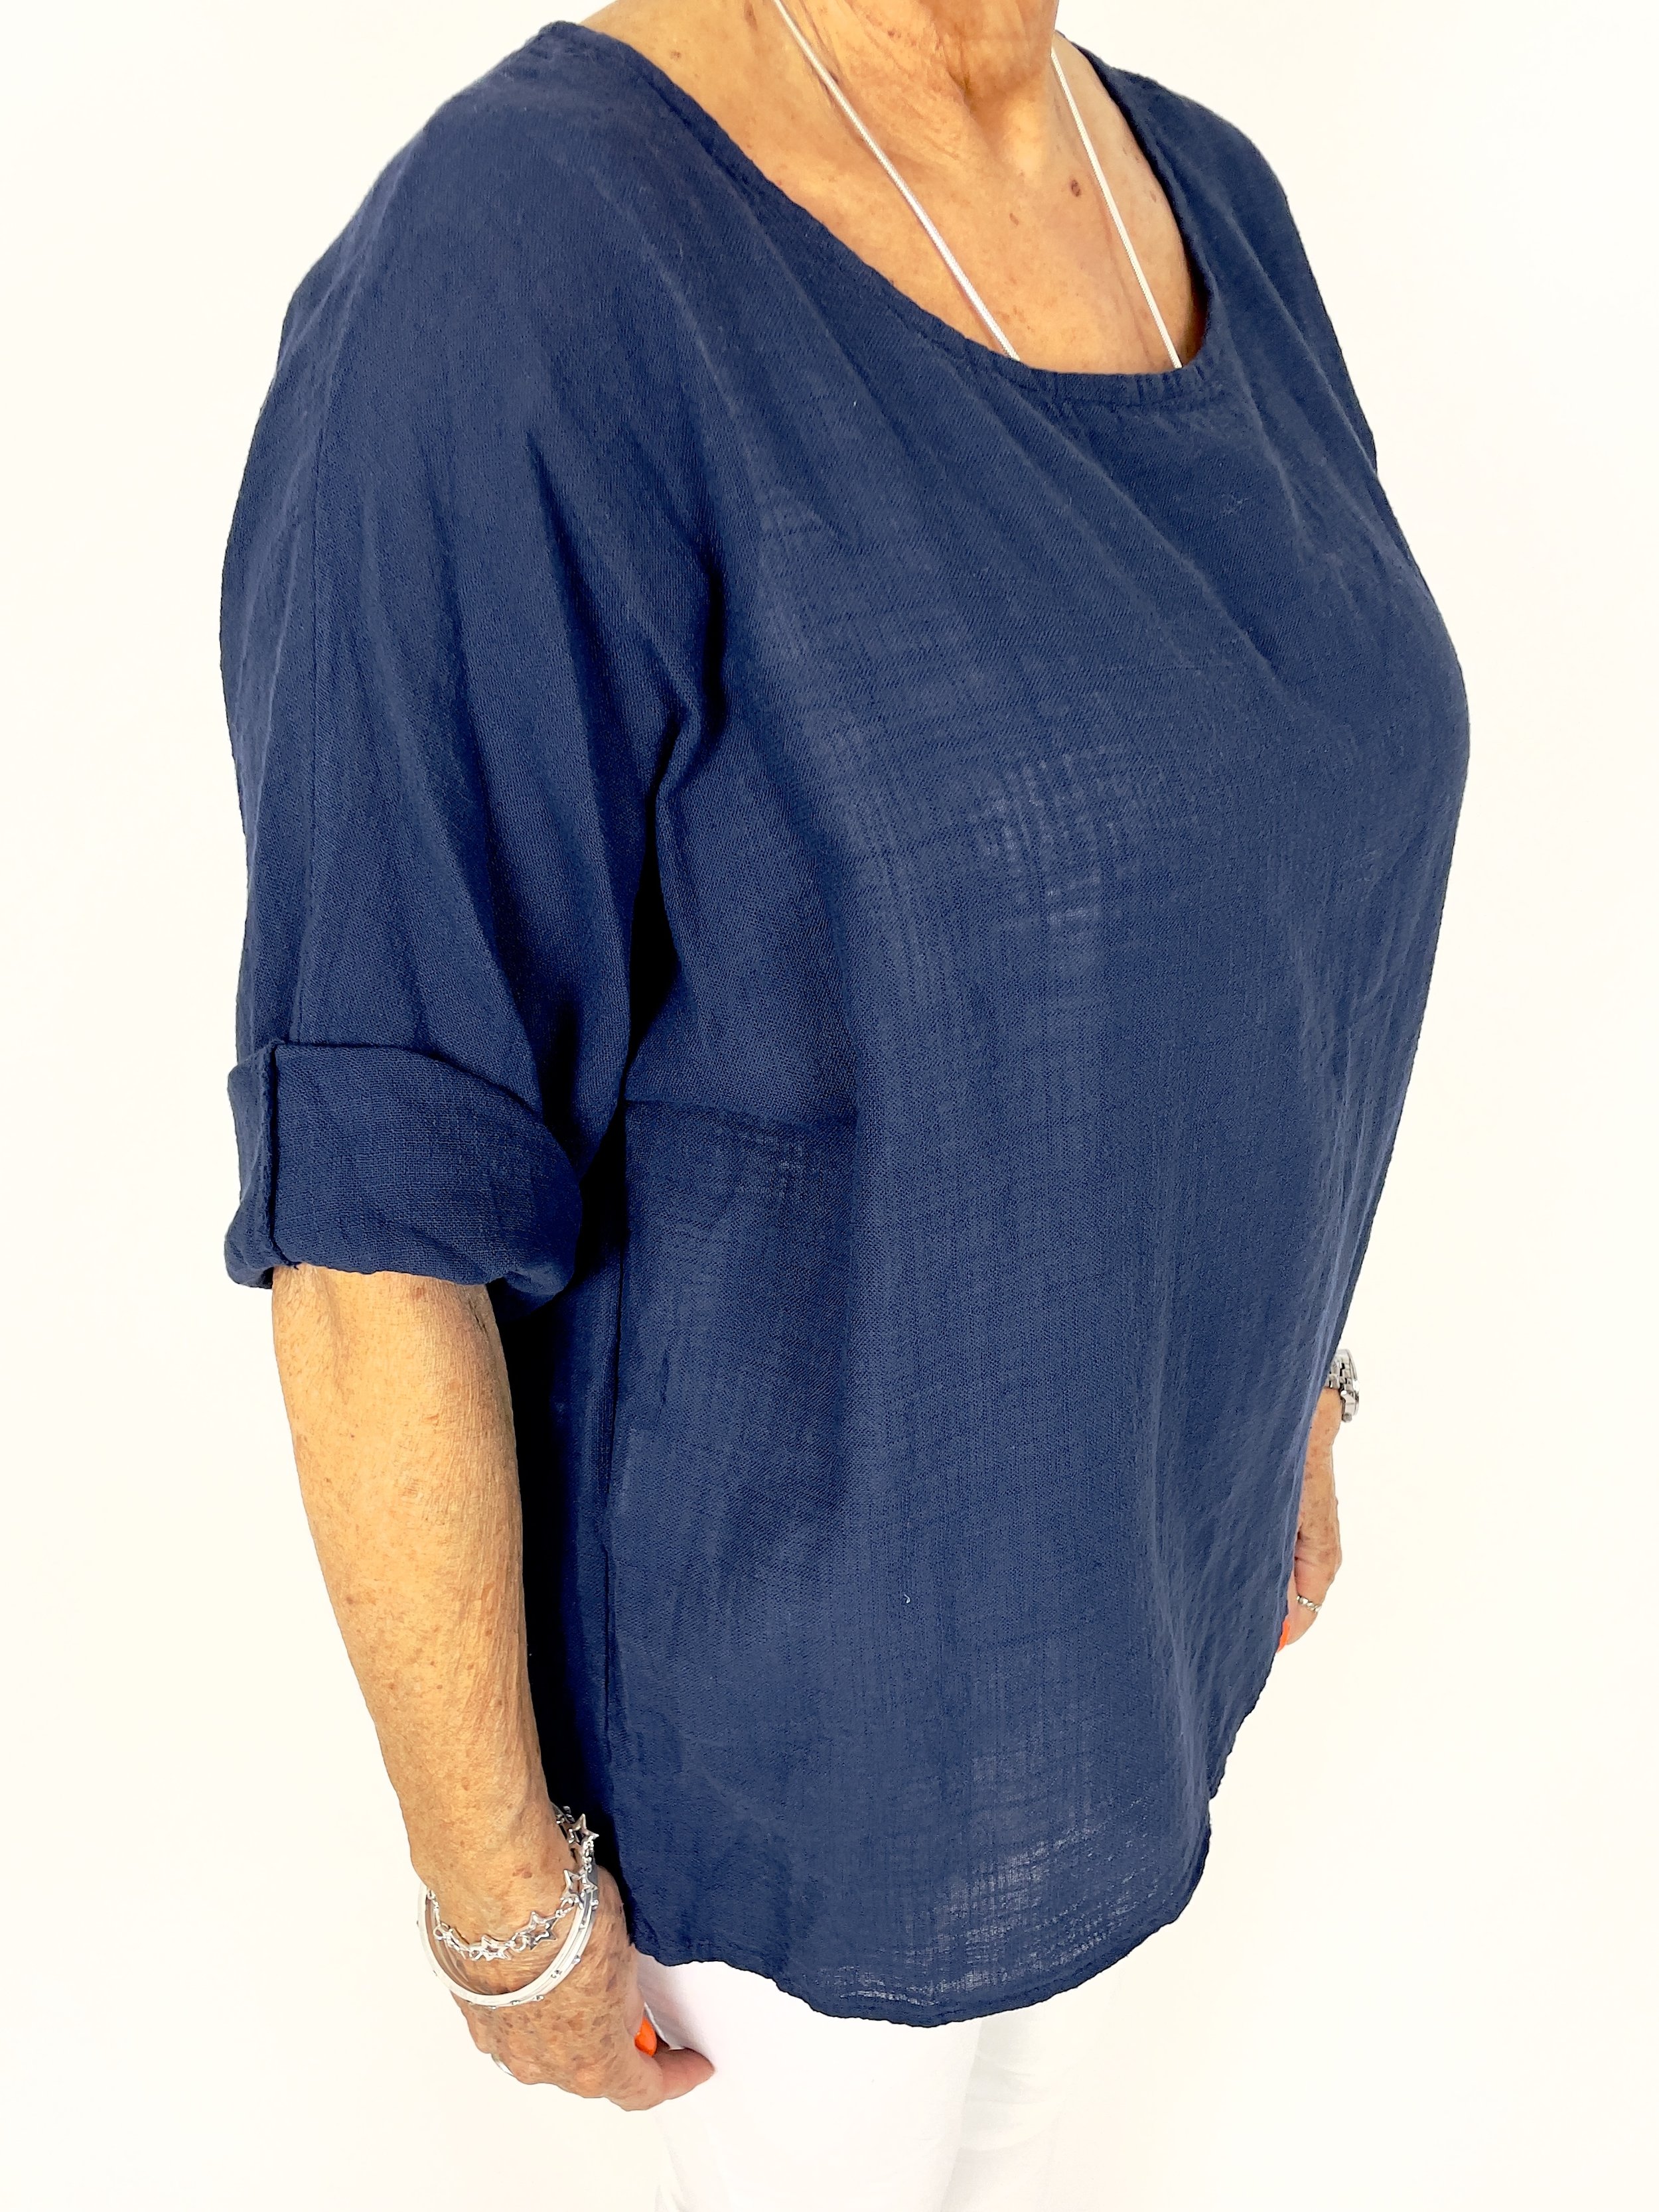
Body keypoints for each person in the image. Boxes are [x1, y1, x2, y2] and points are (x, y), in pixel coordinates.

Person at [220, 2, 1467, 2204]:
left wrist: (1287, 1386)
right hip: (774, 1827)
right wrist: (501, 1898)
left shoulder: (1200, 195)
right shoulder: (527, 262)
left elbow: (1257, 880)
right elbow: (383, 1180)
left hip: (1124, 1656)